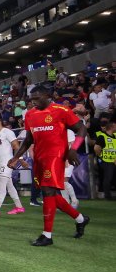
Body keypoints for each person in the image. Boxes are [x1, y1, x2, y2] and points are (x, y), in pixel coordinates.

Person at [8, 85, 90, 246]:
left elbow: (81, 129)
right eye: (31, 100)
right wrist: (16, 157)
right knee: (51, 194)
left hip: (55, 157)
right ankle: (81, 219)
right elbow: (29, 139)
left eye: (37, 99)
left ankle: (47, 235)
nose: (34, 103)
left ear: (47, 95)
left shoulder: (61, 110)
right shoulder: (30, 115)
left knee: (47, 191)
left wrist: (73, 149)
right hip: (38, 158)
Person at [94, 115, 116, 199]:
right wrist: (101, 157)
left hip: (114, 160)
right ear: (112, 127)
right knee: (108, 178)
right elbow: (96, 148)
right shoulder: (102, 136)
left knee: (113, 178)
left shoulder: (115, 136)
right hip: (106, 161)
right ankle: (108, 196)